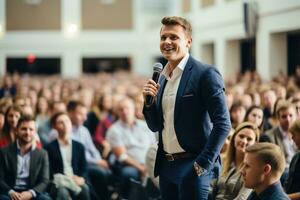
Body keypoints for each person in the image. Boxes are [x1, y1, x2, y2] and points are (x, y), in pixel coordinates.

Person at [142, 16, 231, 200]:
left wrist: (202, 165)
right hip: (167, 165)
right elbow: (155, 126)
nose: (167, 42)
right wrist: (148, 102)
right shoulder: (163, 77)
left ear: (188, 41)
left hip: (194, 163)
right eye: (163, 37)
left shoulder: (205, 74)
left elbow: (223, 124)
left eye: (173, 37)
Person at [106, 96, 156, 198]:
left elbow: (154, 145)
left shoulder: (145, 126)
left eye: (127, 108)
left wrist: (150, 165)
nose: (124, 111)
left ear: (133, 109)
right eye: (121, 109)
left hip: (150, 162)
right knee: (129, 174)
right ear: (117, 112)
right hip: (130, 165)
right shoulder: (114, 130)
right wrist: (141, 168)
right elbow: (122, 156)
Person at [0, 115, 51, 200]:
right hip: (10, 192)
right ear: (16, 131)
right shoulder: (4, 152)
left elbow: (45, 181)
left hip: (32, 191)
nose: (27, 132)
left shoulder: (42, 154)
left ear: (35, 132)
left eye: (31, 129)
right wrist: (10, 192)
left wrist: (31, 193)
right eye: (24, 129)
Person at [45, 112, 91, 200]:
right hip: (58, 183)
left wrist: (82, 179)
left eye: (67, 121)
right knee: (63, 192)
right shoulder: (49, 148)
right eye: (60, 122)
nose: (65, 124)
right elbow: (49, 172)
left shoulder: (79, 146)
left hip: (75, 180)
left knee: (84, 188)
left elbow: (84, 168)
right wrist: (66, 180)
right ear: (54, 127)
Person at [211, 122, 259, 200]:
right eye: (241, 136)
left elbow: (242, 198)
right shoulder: (220, 159)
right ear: (234, 137)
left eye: (249, 139)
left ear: (255, 143)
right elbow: (210, 187)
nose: (244, 141)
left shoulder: (253, 169)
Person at [285, 119, 300, 199]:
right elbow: (287, 183)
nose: (292, 138)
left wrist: (284, 198)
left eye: (294, 135)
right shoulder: (296, 156)